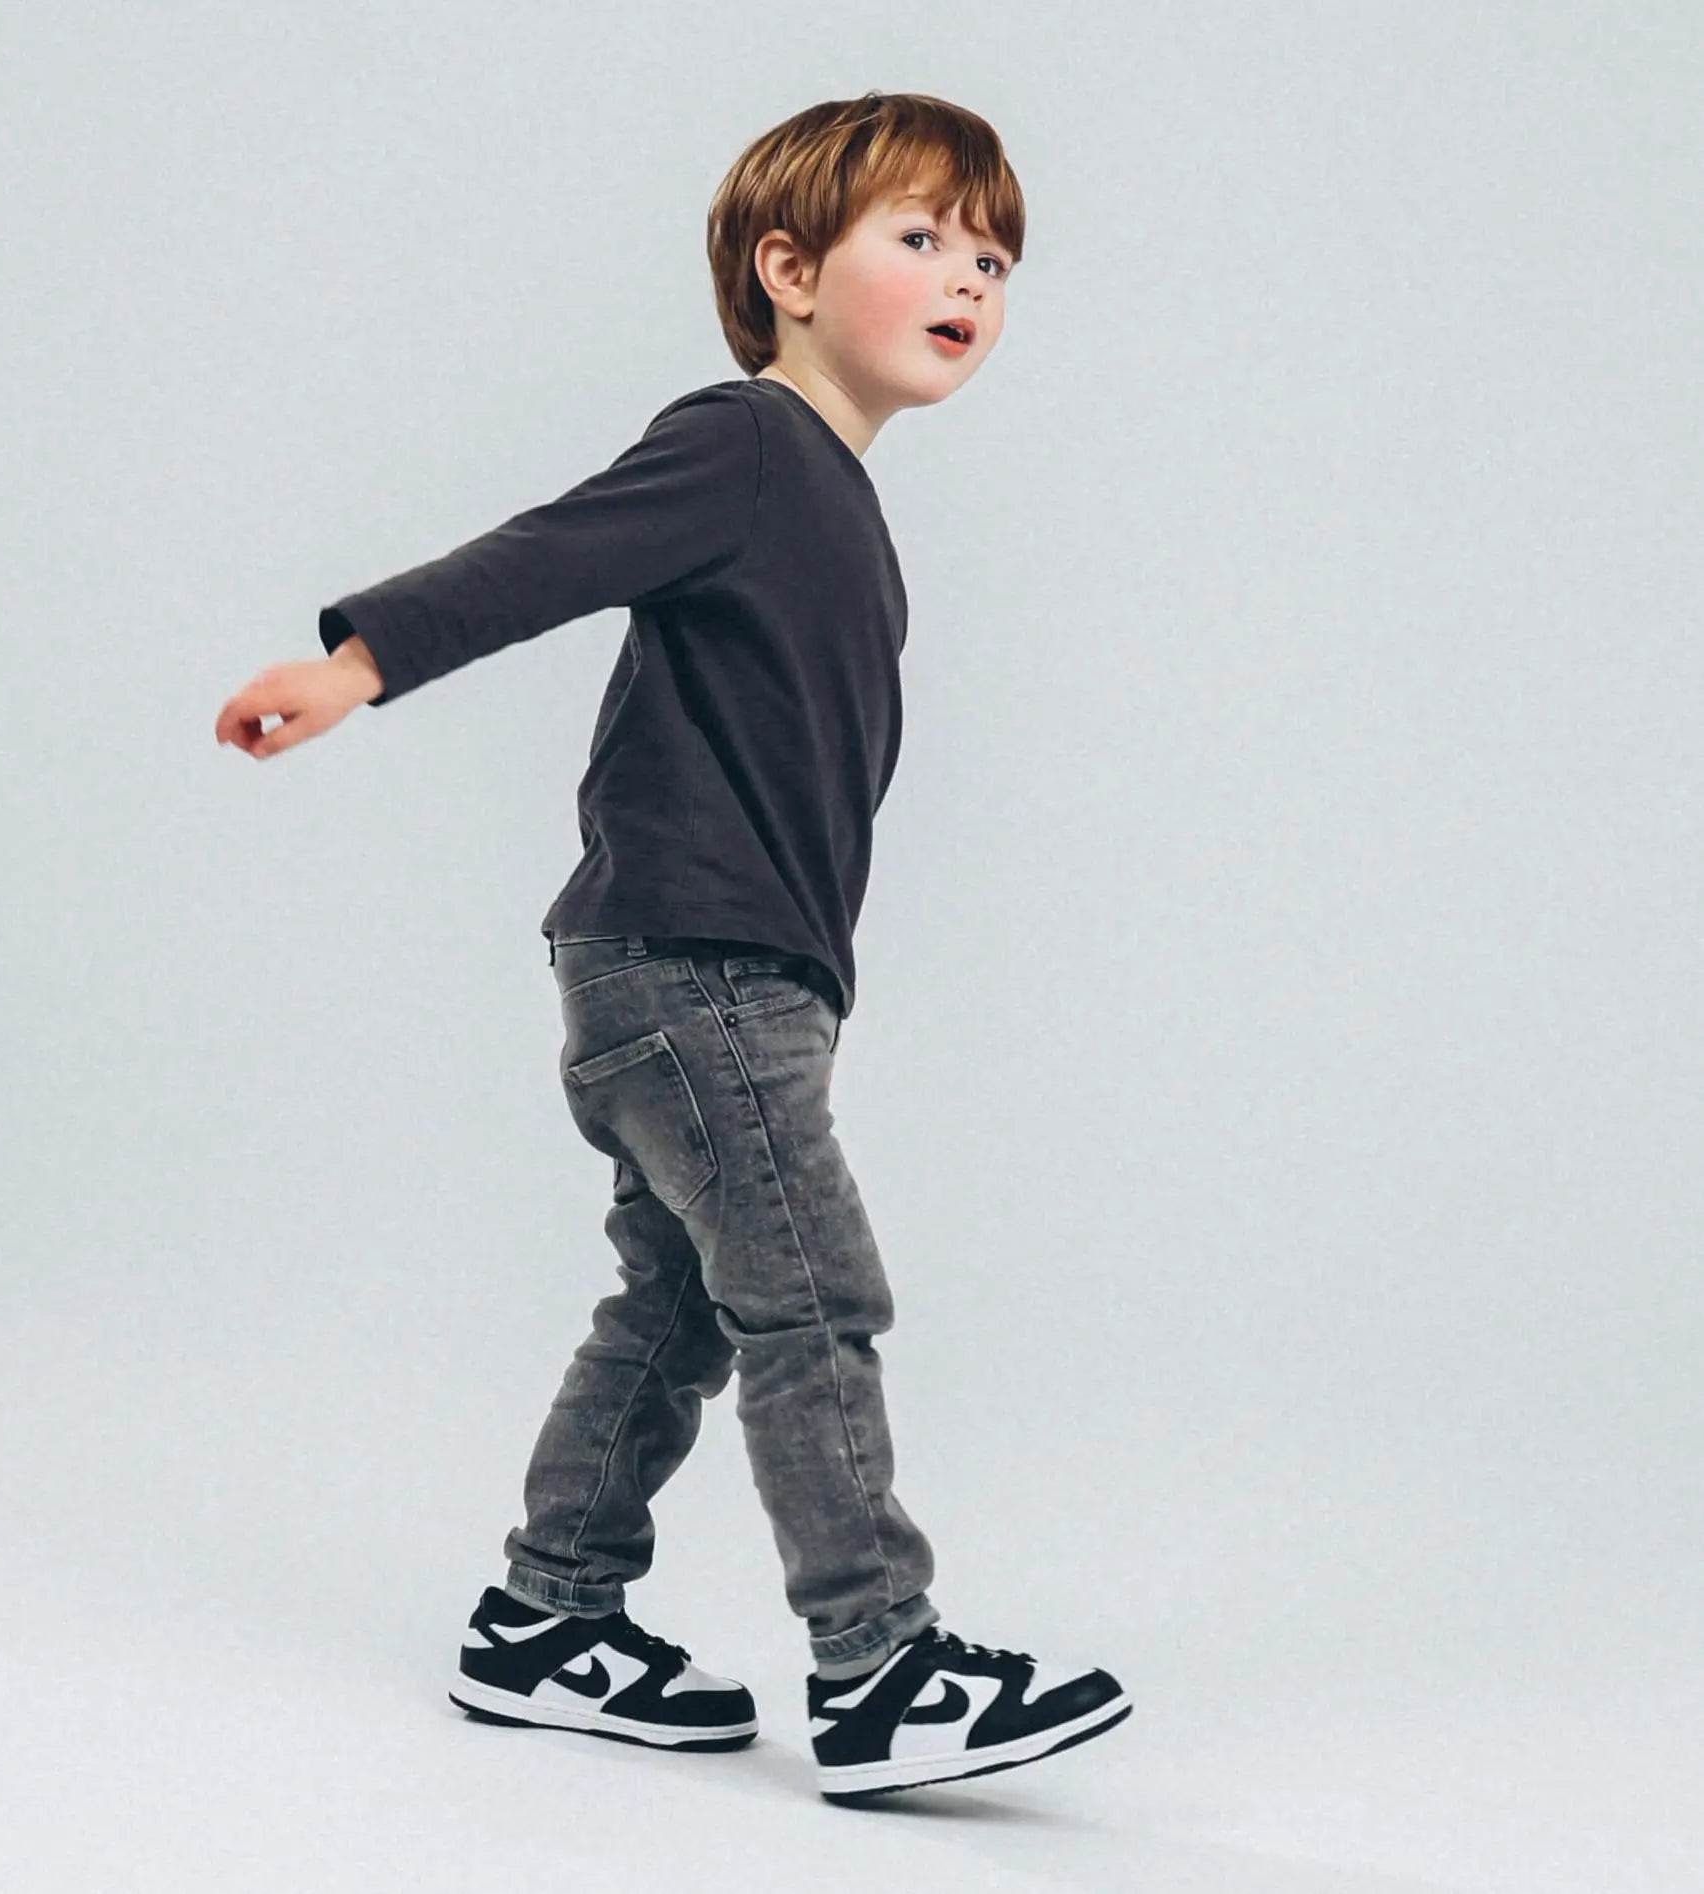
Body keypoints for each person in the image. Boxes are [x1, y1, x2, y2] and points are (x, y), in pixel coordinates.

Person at [213, 89, 1131, 1803]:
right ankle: (879, 1660)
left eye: (992, 259)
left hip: (715, 976)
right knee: (812, 1296)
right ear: (788, 270)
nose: (968, 278)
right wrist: (357, 663)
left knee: (680, 1307)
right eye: (920, 238)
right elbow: (551, 555)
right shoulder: (745, 447)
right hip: (695, 974)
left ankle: (544, 1616)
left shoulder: (830, 495)